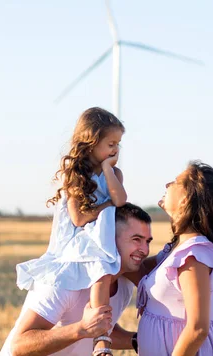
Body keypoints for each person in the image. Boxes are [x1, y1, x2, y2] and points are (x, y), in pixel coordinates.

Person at [15, 107, 127, 355]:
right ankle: (101, 338)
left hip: (103, 235)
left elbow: (120, 200)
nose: (115, 150)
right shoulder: (76, 173)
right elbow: (78, 218)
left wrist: (109, 170)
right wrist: (106, 206)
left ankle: (101, 337)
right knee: (102, 266)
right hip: (80, 237)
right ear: (91, 141)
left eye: (118, 144)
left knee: (104, 271)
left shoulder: (114, 172)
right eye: (110, 143)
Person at [1, 203, 153, 356]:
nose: (145, 250)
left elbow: (101, 328)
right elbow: (19, 345)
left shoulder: (123, 284)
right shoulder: (63, 279)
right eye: (136, 239)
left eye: (147, 241)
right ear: (107, 239)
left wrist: (138, 340)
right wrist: (82, 328)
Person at [135, 161, 213, 356]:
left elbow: (198, 329)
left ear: (186, 199)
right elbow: (137, 270)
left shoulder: (194, 256)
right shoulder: (176, 250)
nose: (168, 184)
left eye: (175, 182)